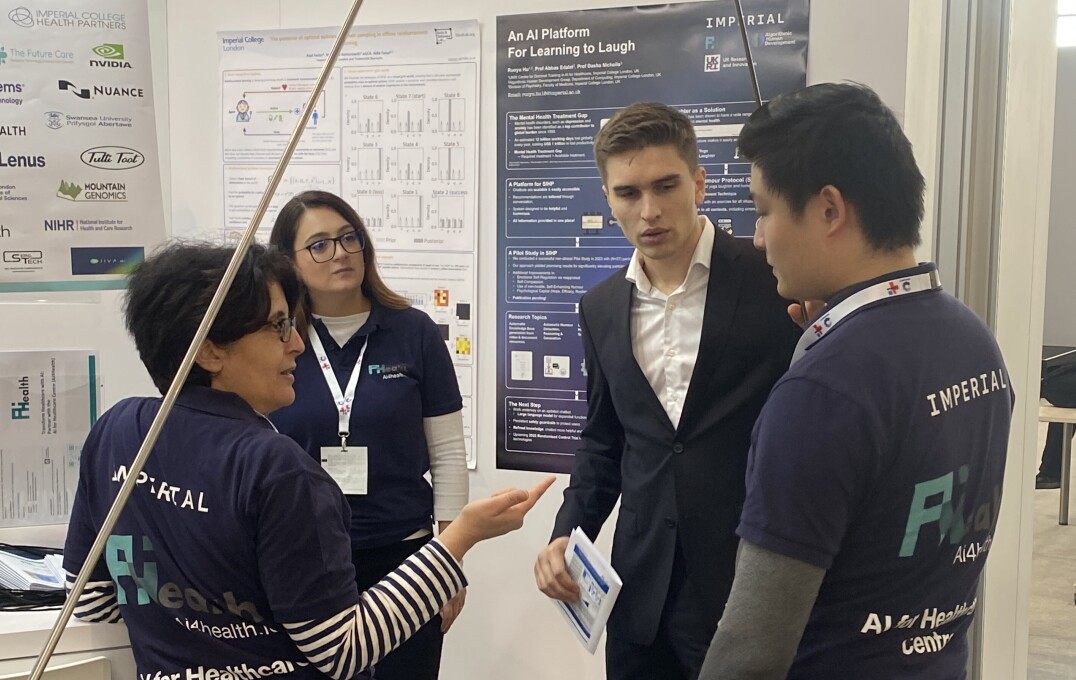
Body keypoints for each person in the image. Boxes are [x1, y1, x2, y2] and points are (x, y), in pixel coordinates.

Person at [63, 242, 553, 680]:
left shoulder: (118, 430)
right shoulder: (278, 469)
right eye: (279, 326)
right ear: (209, 351)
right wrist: (459, 538)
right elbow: (341, 650)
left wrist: (186, 619)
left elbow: (91, 600)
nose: (296, 342)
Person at [698, 83, 1014, 679]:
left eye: (763, 211)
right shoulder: (974, 340)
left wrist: (826, 373)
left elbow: (751, 652)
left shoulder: (823, 393)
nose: (758, 238)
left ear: (829, 210)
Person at [533, 102, 799, 680]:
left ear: (698, 183)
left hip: (746, 578)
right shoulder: (601, 307)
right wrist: (565, 535)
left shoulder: (774, 280)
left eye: (666, 186)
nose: (649, 211)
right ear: (608, 198)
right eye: (628, 193)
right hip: (640, 588)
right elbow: (604, 441)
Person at [268, 191, 468, 680]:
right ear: (288, 262)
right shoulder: (276, 340)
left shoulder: (414, 332)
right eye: (319, 245)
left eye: (349, 238)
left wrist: (450, 561)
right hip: (303, 557)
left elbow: (447, 455)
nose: (340, 253)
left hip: (406, 556)